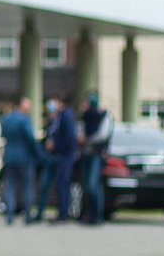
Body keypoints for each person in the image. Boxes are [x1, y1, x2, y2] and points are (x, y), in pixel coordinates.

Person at [77, 90, 116, 225]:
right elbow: (80, 130)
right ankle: (88, 214)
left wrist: (88, 139)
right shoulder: (85, 116)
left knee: (93, 185)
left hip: (96, 155)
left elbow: (103, 135)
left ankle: (97, 215)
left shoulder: (104, 116)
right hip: (86, 155)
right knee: (87, 186)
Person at [0, 97, 39, 223]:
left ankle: (9, 215)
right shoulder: (24, 120)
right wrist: (38, 154)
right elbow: (30, 139)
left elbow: (3, 134)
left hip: (9, 157)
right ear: (21, 105)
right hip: (24, 158)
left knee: (10, 186)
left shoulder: (7, 119)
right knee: (27, 186)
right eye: (28, 105)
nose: (30, 108)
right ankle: (27, 215)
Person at [40, 96, 77, 222]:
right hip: (59, 155)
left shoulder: (66, 116)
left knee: (62, 184)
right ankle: (61, 212)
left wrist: (56, 145)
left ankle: (63, 214)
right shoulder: (57, 117)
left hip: (65, 156)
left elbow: (69, 137)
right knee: (59, 184)